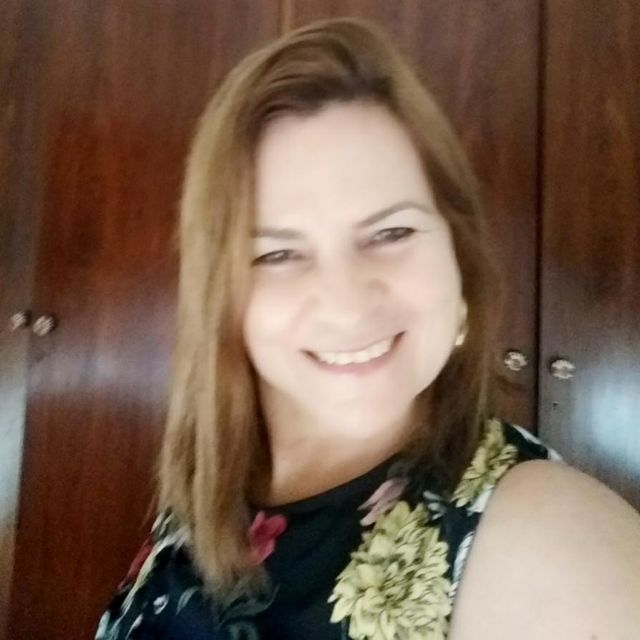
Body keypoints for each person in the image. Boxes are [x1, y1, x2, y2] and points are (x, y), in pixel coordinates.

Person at [95, 16, 640, 640]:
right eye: (277, 253)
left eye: (391, 232)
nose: (346, 302)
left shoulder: (546, 534)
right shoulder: (207, 496)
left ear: (458, 255)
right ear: (221, 296)